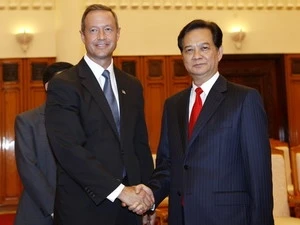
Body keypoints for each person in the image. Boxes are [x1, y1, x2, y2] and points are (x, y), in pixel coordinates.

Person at [147, 19, 274, 225]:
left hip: (228, 219)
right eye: (189, 50)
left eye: (204, 48)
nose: (196, 56)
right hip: (182, 218)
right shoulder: (173, 105)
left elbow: (259, 175)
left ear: (219, 52)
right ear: (182, 57)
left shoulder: (244, 99)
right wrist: (150, 198)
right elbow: (167, 165)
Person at [44, 4, 154, 225]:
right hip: (85, 208)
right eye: (93, 30)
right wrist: (120, 190)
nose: (101, 36)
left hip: (130, 208)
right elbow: (69, 150)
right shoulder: (64, 85)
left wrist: (148, 200)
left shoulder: (132, 85)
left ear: (118, 33)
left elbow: (139, 145)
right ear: (82, 36)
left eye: (108, 29)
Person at [14, 62, 74, 225]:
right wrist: (55, 209)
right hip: (40, 213)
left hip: (79, 213)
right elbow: (28, 168)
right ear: (48, 86)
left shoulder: (86, 120)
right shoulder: (28, 121)